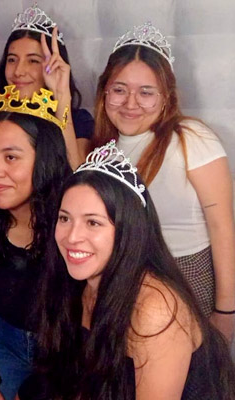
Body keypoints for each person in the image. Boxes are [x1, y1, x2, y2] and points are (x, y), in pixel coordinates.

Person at [26, 141, 235, 400]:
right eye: (65, 218)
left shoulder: (155, 310)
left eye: (93, 222)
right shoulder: (76, 281)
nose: (72, 237)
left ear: (129, 230)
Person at [89, 22, 235, 341]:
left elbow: (223, 227)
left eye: (146, 92)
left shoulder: (192, 139)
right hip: (121, 281)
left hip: (185, 278)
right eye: (119, 89)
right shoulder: (103, 149)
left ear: (166, 97)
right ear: (104, 92)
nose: (131, 103)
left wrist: (226, 312)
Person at [0, 85, 72, 400]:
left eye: (11, 157)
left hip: (69, 354)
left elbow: (91, 324)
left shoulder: (74, 226)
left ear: (45, 159)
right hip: (5, 344)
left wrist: (36, 391)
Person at [0, 4, 94, 167]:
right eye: (12, 59)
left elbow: (76, 172)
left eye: (33, 61)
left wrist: (62, 97)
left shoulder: (79, 120)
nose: (18, 71)